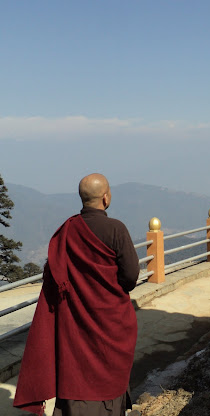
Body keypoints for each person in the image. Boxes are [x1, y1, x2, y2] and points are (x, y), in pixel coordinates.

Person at [14, 173, 140, 416]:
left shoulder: (67, 232)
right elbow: (131, 276)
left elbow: (53, 276)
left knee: (76, 370)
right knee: (108, 371)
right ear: (106, 197)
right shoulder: (116, 229)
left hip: (75, 320)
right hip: (111, 320)